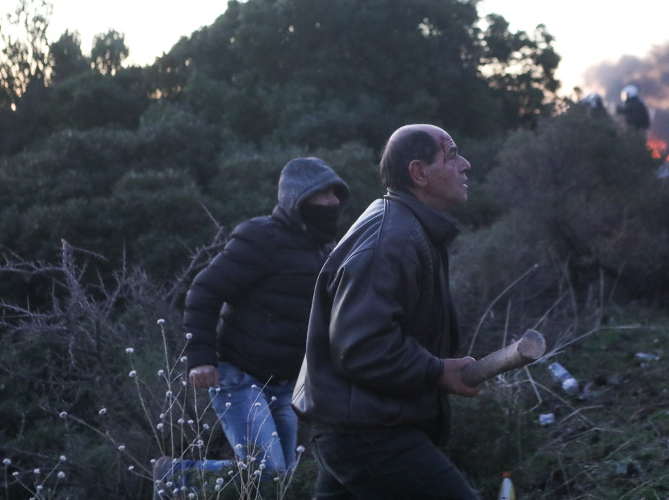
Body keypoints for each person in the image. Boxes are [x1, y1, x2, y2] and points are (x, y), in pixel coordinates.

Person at [293, 124, 480, 500]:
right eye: (452, 154)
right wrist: (437, 371)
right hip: (369, 433)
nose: (466, 165)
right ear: (418, 172)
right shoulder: (391, 241)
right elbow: (363, 347)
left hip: (355, 426)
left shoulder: (407, 227)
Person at [154, 157, 350, 493]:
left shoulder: (322, 250)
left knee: (280, 483)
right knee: (269, 473)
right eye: (324, 194)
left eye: (337, 193)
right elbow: (205, 291)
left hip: (284, 385)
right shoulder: (261, 237)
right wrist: (201, 358)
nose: (334, 201)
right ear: (299, 199)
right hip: (240, 377)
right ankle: (174, 475)